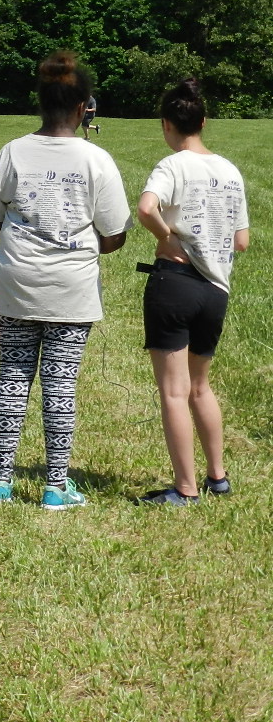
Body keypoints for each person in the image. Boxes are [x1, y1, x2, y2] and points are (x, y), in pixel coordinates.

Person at [0, 51, 131, 510]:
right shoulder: (96, 159)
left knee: (12, 377)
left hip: (17, 282)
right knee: (60, 385)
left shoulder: (11, 152)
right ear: (84, 108)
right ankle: (56, 486)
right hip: (71, 288)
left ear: (40, 103)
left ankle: (0, 480)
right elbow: (114, 235)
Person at [136, 78, 249, 505]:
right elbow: (242, 241)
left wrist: (167, 237)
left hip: (175, 286)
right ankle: (218, 477)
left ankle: (184, 489)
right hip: (216, 290)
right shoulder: (230, 171)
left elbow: (146, 207)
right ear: (203, 122)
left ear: (166, 124)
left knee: (174, 392)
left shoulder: (172, 166)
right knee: (201, 387)